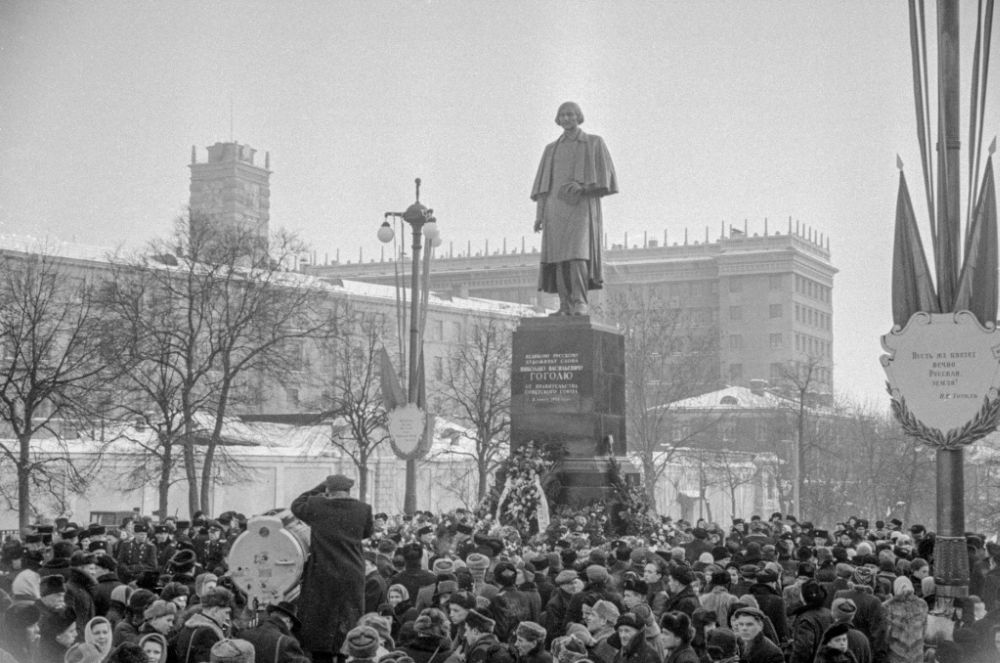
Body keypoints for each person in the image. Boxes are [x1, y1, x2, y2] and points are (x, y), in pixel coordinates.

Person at [531, 101, 618, 316]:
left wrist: (583, 186)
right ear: (558, 119)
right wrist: (539, 215)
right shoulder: (551, 150)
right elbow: (543, 188)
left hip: (581, 207)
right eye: (562, 115)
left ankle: (580, 301)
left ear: (579, 116)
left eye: (570, 114)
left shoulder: (593, 143)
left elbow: (606, 179)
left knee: (578, 254)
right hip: (554, 209)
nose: (567, 118)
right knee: (559, 258)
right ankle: (565, 304)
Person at [290, 474, 374, 663]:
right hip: (352, 573)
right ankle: (345, 654)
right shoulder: (363, 509)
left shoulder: (318, 505)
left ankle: (321, 657)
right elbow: (367, 532)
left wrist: (321, 487)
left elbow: (296, 504)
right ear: (348, 490)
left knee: (320, 622)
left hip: (322, 573)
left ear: (328, 490)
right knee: (348, 619)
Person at [237, 601, 310, 663]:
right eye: (292, 626)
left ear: (271, 615)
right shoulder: (287, 643)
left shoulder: (243, 635)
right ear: (288, 621)